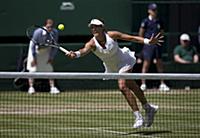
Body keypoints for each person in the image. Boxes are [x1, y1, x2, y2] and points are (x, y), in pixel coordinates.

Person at [66, 19, 162, 128]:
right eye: (92, 27)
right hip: (112, 67)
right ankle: (148, 108)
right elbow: (83, 50)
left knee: (122, 86)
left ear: (102, 27)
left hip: (125, 61)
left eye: (96, 26)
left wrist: (148, 41)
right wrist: (76, 54)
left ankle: (138, 116)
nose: (94, 29)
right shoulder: (92, 43)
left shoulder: (112, 35)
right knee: (131, 85)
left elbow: (131, 38)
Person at [138, 3, 170, 91]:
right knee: (146, 63)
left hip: (157, 46)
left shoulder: (160, 21)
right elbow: (141, 34)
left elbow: (162, 33)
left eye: (155, 10)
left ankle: (162, 84)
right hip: (148, 46)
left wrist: (159, 41)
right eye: (153, 10)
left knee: (159, 63)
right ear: (149, 11)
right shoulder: (145, 21)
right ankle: (143, 84)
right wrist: (145, 42)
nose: (154, 12)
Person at [26, 19, 60, 94]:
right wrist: (34, 59)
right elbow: (33, 46)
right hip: (35, 50)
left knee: (49, 69)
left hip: (46, 50)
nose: (50, 29)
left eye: (51, 27)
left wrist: (51, 58)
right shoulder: (38, 32)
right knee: (32, 70)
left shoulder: (55, 32)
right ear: (45, 26)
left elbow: (54, 46)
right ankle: (31, 88)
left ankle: (53, 88)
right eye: (48, 27)